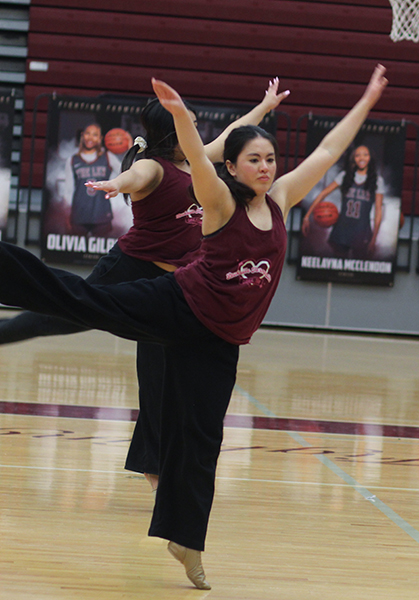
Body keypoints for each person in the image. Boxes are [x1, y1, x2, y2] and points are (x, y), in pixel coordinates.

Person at [0, 65, 387, 589]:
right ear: (233, 165)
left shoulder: (283, 200)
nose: (266, 167)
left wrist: (366, 100)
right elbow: (197, 157)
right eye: (255, 159)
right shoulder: (219, 200)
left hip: (219, 340)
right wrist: (181, 115)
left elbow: (328, 152)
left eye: (270, 159)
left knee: (202, 440)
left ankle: (186, 542)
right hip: (176, 305)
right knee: (83, 300)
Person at [0, 80, 289, 491]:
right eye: (187, 123)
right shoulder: (154, 166)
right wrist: (116, 186)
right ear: (170, 135)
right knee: (62, 316)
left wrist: (263, 106)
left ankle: (154, 471)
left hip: (174, 285)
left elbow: (231, 135)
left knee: (158, 378)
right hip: (130, 268)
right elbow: (134, 176)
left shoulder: (198, 162)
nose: (197, 131)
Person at [301, 143, 384, 258]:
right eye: (358, 155)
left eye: (365, 155)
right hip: (342, 228)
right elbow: (324, 193)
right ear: (354, 159)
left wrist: (374, 238)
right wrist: (307, 215)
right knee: (338, 265)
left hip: (362, 230)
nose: (362, 158)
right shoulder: (345, 176)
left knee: (359, 267)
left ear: (370, 158)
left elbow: (378, 211)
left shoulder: (377, 180)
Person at [61, 123, 122, 237]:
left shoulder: (108, 157)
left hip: (102, 213)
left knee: (103, 252)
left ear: (100, 139)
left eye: (95, 135)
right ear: (83, 136)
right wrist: (67, 214)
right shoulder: (73, 160)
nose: (90, 137)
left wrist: (128, 146)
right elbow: (68, 190)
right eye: (88, 133)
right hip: (79, 214)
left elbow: (125, 172)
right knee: (75, 251)